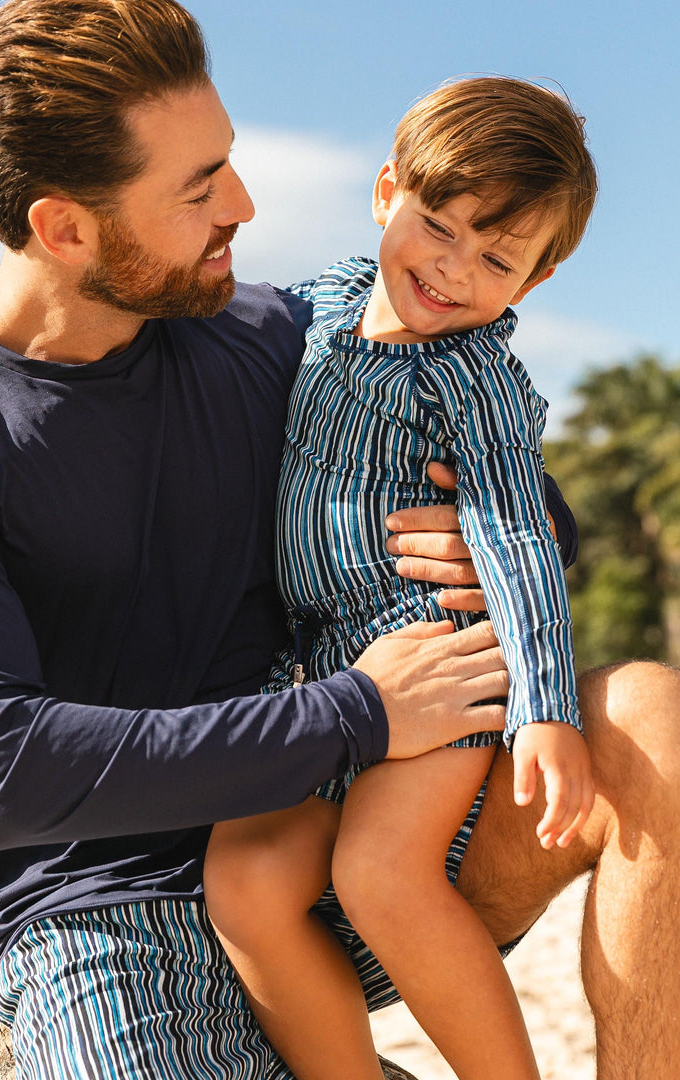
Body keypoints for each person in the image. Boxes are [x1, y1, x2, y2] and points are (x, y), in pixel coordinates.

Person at [0, 2, 680, 1078]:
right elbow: (2, 772)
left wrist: (483, 534)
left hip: (349, 845)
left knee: (672, 726)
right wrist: (358, 712)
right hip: (107, 908)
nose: (242, 205)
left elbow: (501, 470)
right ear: (66, 230)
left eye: (228, 161)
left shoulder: (273, 336)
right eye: (199, 189)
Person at [204, 76, 597, 1080]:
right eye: (438, 225)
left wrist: (546, 711)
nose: (453, 268)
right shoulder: (321, 305)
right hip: (323, 679)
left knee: (381, 872)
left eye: (496, 258)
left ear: (535, 279)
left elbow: (517, 536)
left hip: (439, 659)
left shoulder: (477, 381)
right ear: (387, 193)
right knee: (245, 878)